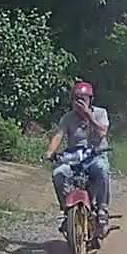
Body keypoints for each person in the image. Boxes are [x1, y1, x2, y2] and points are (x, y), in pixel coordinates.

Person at [45, 81, 111, 235]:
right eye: (76, 98)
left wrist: (88, 115)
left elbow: (102, 132)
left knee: (102, 169)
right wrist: (50, 152)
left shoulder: (100, 113)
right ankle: (67, 210)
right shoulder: (68, 118)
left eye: (83, 99)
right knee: (58, 173)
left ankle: (102, 208)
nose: (79, 102)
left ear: (90, 100)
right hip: (74, 158)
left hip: (95, 155)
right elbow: (59, 135)